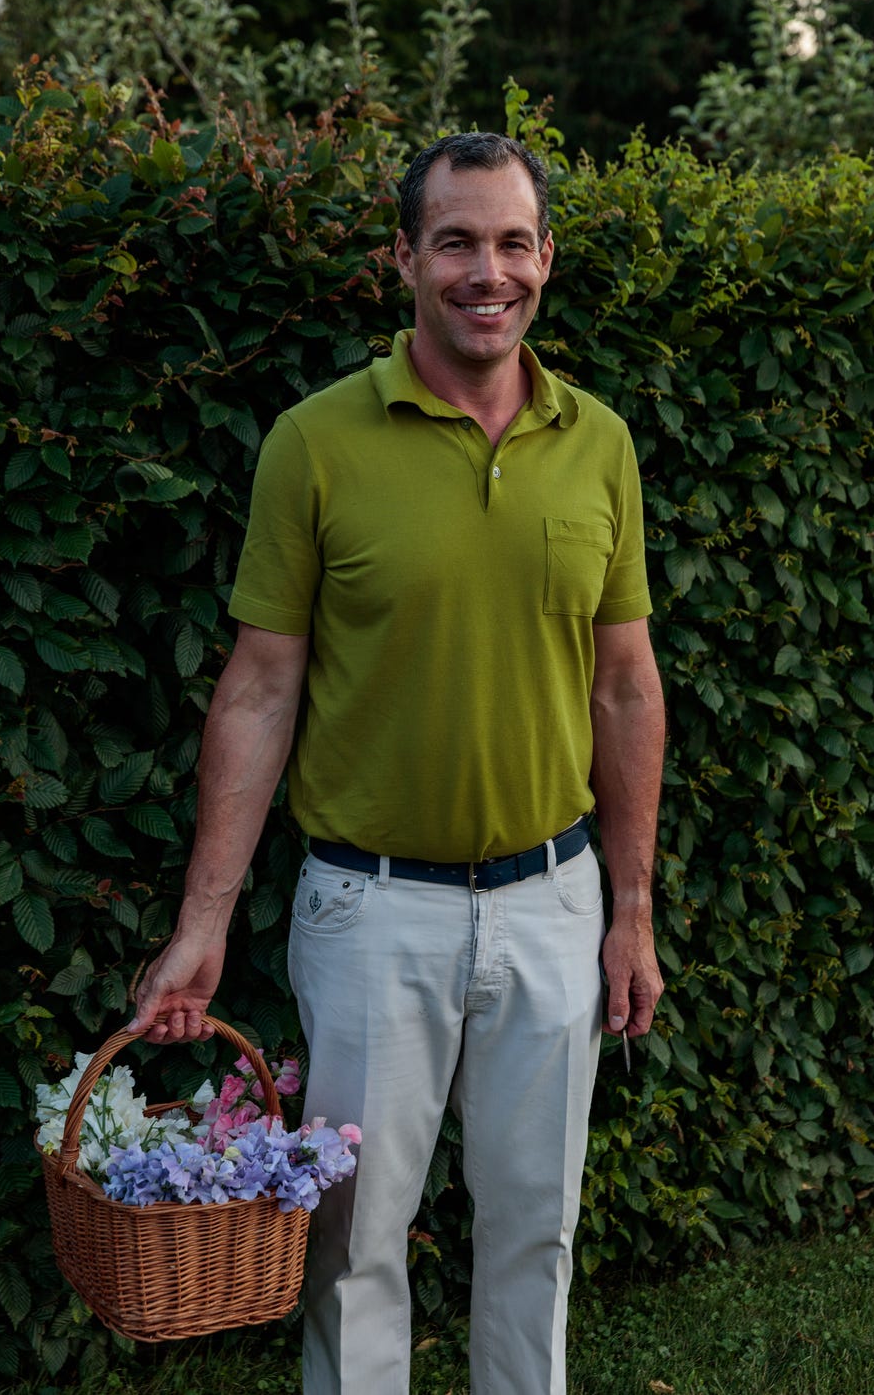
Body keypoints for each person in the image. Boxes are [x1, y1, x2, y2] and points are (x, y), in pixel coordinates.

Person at [128, 131, 665, 1395]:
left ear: (545, 258)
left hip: (552, 904)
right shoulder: (315, 443)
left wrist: (629, 909)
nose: (489, 271)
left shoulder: (600, 444)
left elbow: (624, 683)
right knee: (353, 1249)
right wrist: (202, 922)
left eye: (513, 242)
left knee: (537, 1233)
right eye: (457, 242)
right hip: (369, 911)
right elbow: (259, 688)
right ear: (405, 259)